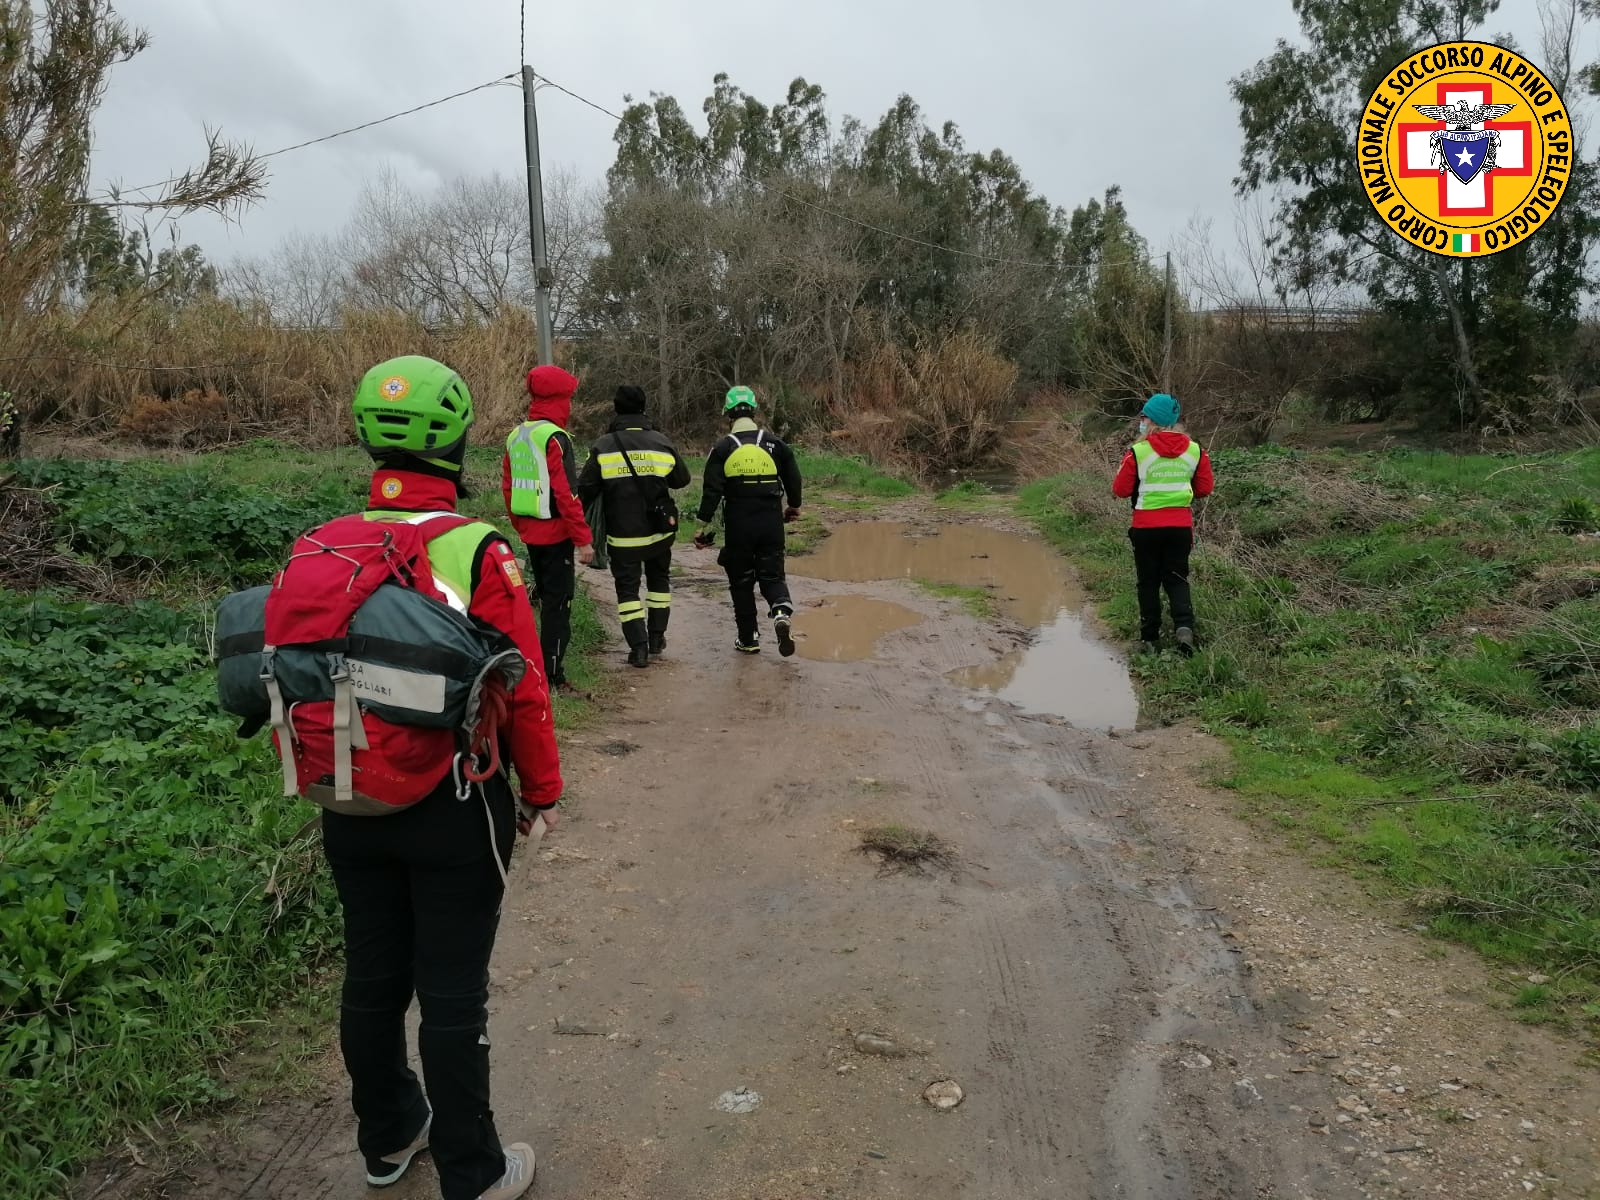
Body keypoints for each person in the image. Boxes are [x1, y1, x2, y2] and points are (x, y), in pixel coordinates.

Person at [330, 356, 561, 1200]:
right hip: (455, 801)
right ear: (458, 439)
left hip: (347, 794)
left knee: (372, 972)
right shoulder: (475, 547)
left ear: (365, 436)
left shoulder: (326, 541)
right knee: (453, 989)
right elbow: (526, 687)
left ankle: (388, 1140)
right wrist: (541, 793)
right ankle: (474, 1170)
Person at [576, 385, 691, 668]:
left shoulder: (604, 446)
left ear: (616, 409)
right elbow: (681, 479)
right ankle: (656, 639)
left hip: (623, 536)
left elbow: (586, 490)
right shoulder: (661, 442)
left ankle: (638, 649)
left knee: (627, 591)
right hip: (660, 533)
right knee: (659, 582)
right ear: (644, 408)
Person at [502, 364, 595, 698]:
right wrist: (583, 538)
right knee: (559, 608)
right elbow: (566, 494)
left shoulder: (518, 435)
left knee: (544, 602)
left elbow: (508, 488)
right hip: (556, 537)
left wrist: (523, 527)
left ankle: (539, 668)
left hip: (531, 534)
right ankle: (553, 678)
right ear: (560, 399)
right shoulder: (555, 438)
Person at [693, 385, 803, 656]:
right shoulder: (775, 444)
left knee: (741, 580)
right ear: (753, 410)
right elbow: (794, 478)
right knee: (772, 573)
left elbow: (712, 490)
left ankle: (749, 638)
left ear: (728, 413)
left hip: (739, 522)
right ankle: (780, 611)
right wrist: (793, 506)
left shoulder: (723, 447)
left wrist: (702, 525)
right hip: (770, 521)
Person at [1112, 392, 1214, 656]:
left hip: (1146, 528)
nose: (1141, 421)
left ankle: (1149, 639)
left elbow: (1120, 489)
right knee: (1178, 579)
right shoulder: (1195, 451)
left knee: (1148, 582)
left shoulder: (1138, 452)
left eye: (1144, 416)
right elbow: (1204, 489)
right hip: (1180, 528)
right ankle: (1184, 629)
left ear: (1153, 420)